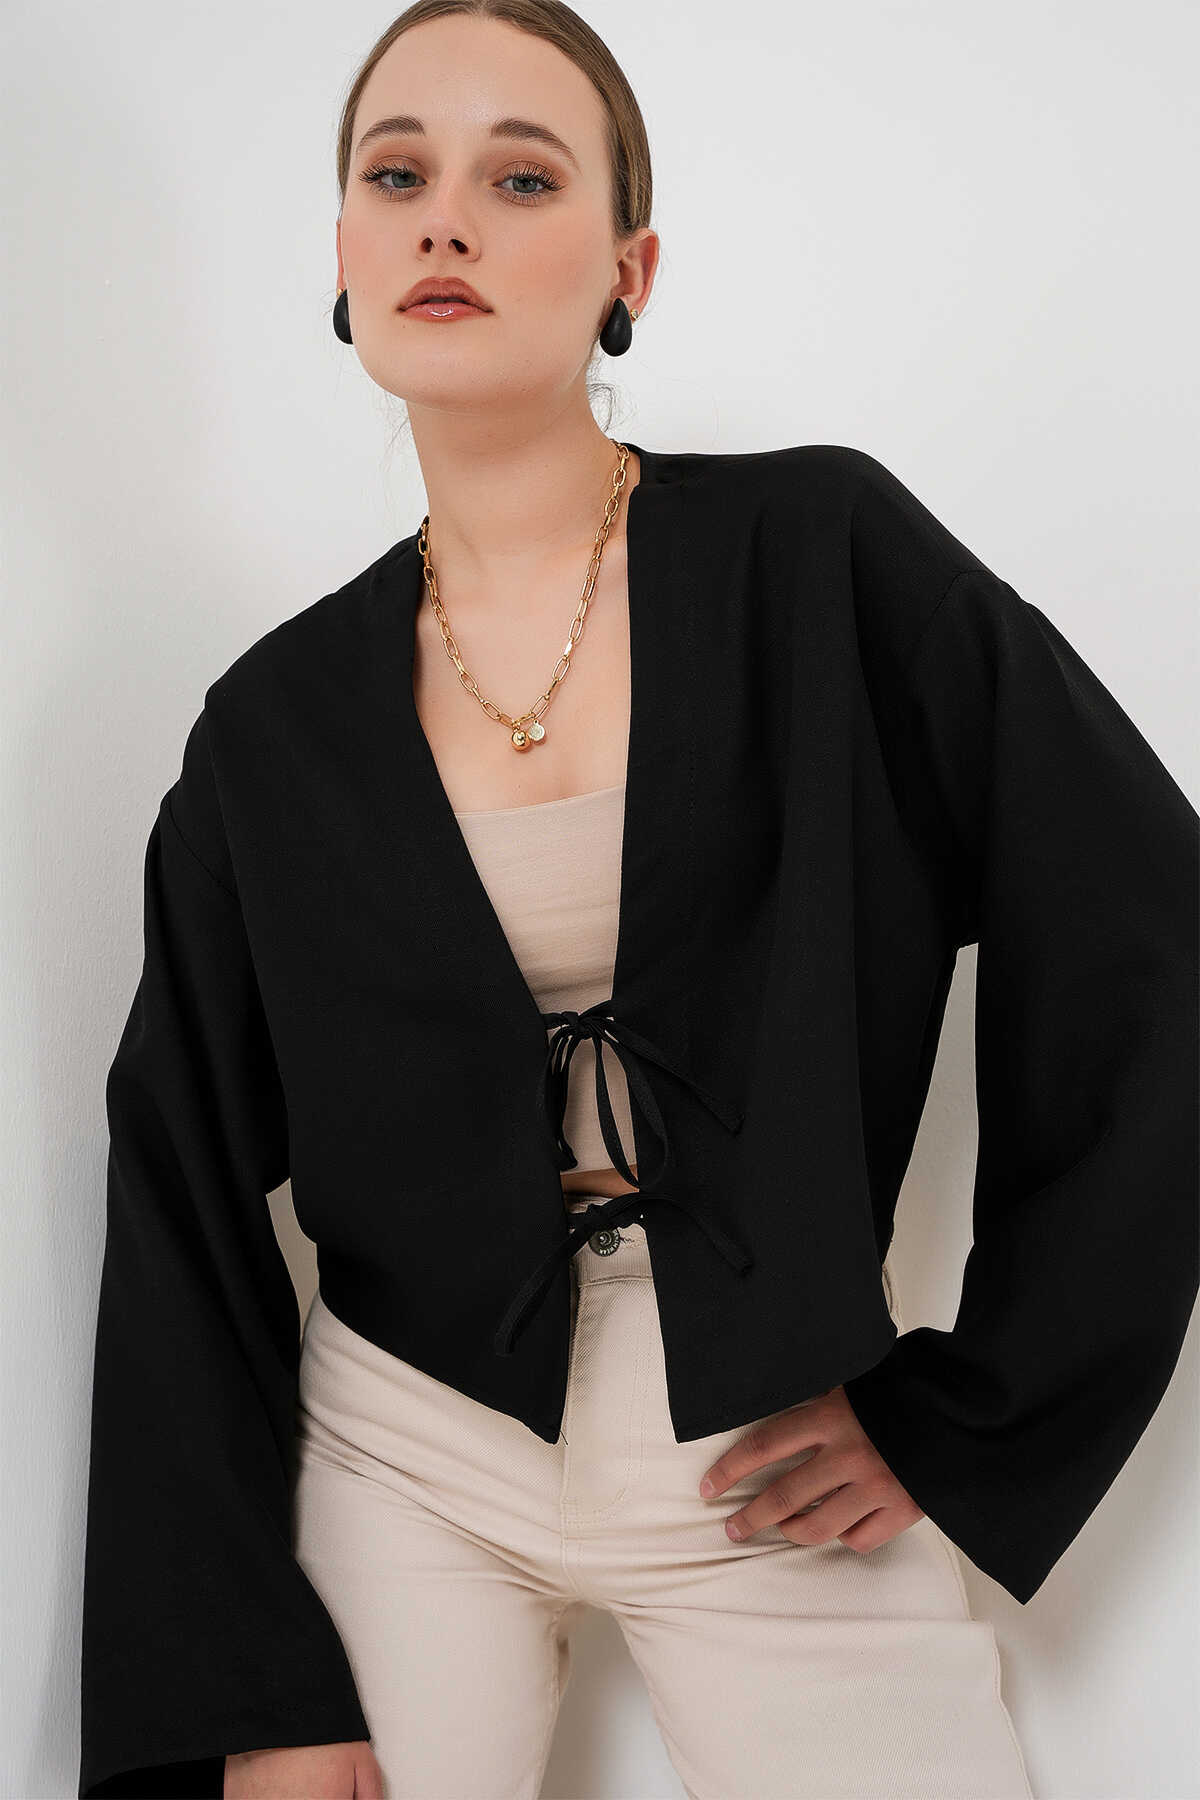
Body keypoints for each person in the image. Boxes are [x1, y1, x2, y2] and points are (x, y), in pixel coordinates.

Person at [79, 5, 1198, 1799]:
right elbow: (176, 1185)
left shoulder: (824, 558)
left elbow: (1149, 927)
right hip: (407, 1449)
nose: (448, 220)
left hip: (766, 1450)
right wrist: (249, 1684)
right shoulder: (269, 725)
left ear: (630, 270)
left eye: (522, 178)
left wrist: (975, 1410)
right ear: (346, 257)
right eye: (397, 176)